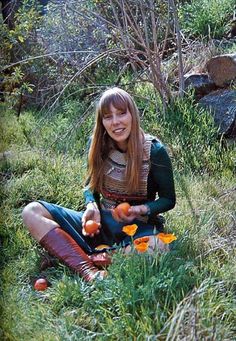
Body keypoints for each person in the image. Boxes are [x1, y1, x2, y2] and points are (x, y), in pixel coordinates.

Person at [22, 87, 176, 282]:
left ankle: (81, 255)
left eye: (121, 113)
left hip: (137, 228)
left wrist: (141, 209)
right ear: (102, 121)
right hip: (100, 224)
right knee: (31, 211)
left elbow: (168, 200)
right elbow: (90, 184)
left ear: (133, 115)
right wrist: (91, 205)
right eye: (108, 116)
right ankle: (90, 271)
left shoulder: (154, 150)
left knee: (160, 246)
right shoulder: (96, 144)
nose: (116, 122)